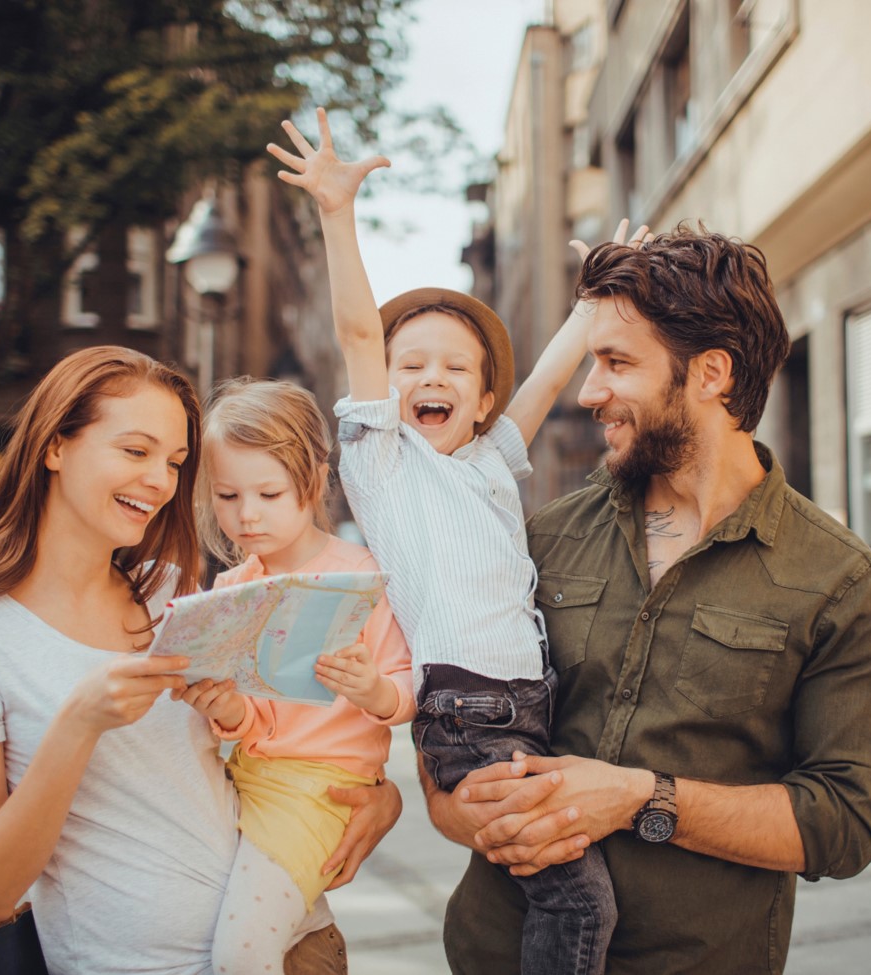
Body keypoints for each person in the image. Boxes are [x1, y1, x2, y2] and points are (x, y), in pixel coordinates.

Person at [422, 226, 871, 974]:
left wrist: (641, 798)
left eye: (616, 362)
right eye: (591, 362)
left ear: (710, 372)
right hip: (496, 949)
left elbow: (844, 823)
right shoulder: (537, 537)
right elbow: (449, 699)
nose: (589, 392)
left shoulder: (841, 581)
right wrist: (454, 808)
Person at [269, 108, 639, 975]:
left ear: (480, 401)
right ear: (383, 392)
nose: (430, 376)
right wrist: (335, 211)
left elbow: (546, 381)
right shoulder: (386, 465)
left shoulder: (483, 461)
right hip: (469, 714)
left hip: (527, 705)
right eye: (410, 365)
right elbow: (360, 332)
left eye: (454, 367)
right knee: (579, 899)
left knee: (552, 881)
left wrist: (594, 299)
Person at [0, 346, 402, 975]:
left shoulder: (173, 592)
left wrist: (378, 793)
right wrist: (78, 723)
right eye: (136, 452)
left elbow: (273, 729)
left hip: (298, 946)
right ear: (55, 447)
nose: (161, 482)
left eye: (175, 462)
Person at [177, 376, 415, 972]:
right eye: (227, 497)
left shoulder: (358, 574)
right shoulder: (232, 586)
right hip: (243, 779)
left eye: (268, 494)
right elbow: (248, 716)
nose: (246, 515)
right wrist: (221, 706)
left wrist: (375, 691)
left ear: (311, 482)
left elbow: (409, 684)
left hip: (318, 790)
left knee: (241, 952)